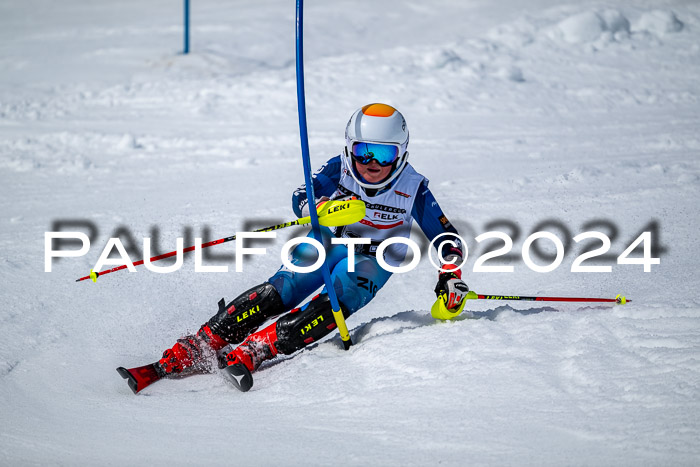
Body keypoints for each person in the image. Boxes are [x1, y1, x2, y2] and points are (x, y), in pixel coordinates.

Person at [118, 103, 469, 393]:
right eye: (364, 151)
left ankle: (258, 348)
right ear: (350, 148)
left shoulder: (413, 186)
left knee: (337, 300)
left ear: (402, 154)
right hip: (331, 239)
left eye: (384, 154)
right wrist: (316, 210)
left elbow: (446, 236)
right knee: (280, 291)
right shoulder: (341, 168)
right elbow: (302, 193)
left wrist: (450, 274)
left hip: (376, 256)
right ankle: (200, 345)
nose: (372, 163)